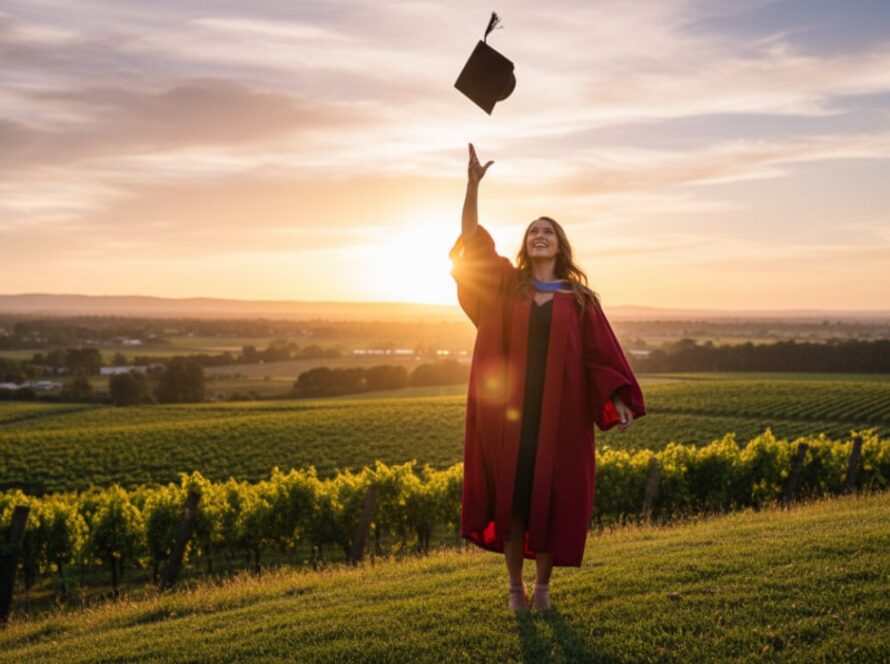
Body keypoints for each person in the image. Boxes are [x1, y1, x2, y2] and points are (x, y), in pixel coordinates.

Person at [449, 143, 647, 612]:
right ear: (526, 245)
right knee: (514, 503)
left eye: (548, 231)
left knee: (552, 501)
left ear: (560, 246)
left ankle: (543, 590)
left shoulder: (579, 299)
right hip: (510, 417)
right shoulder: (505, 284)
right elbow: (472, 241)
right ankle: (515, 589)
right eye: (533, 231)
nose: (539, 235)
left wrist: (617, 397)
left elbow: (601, 355)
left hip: (559, 417)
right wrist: (472, 187)